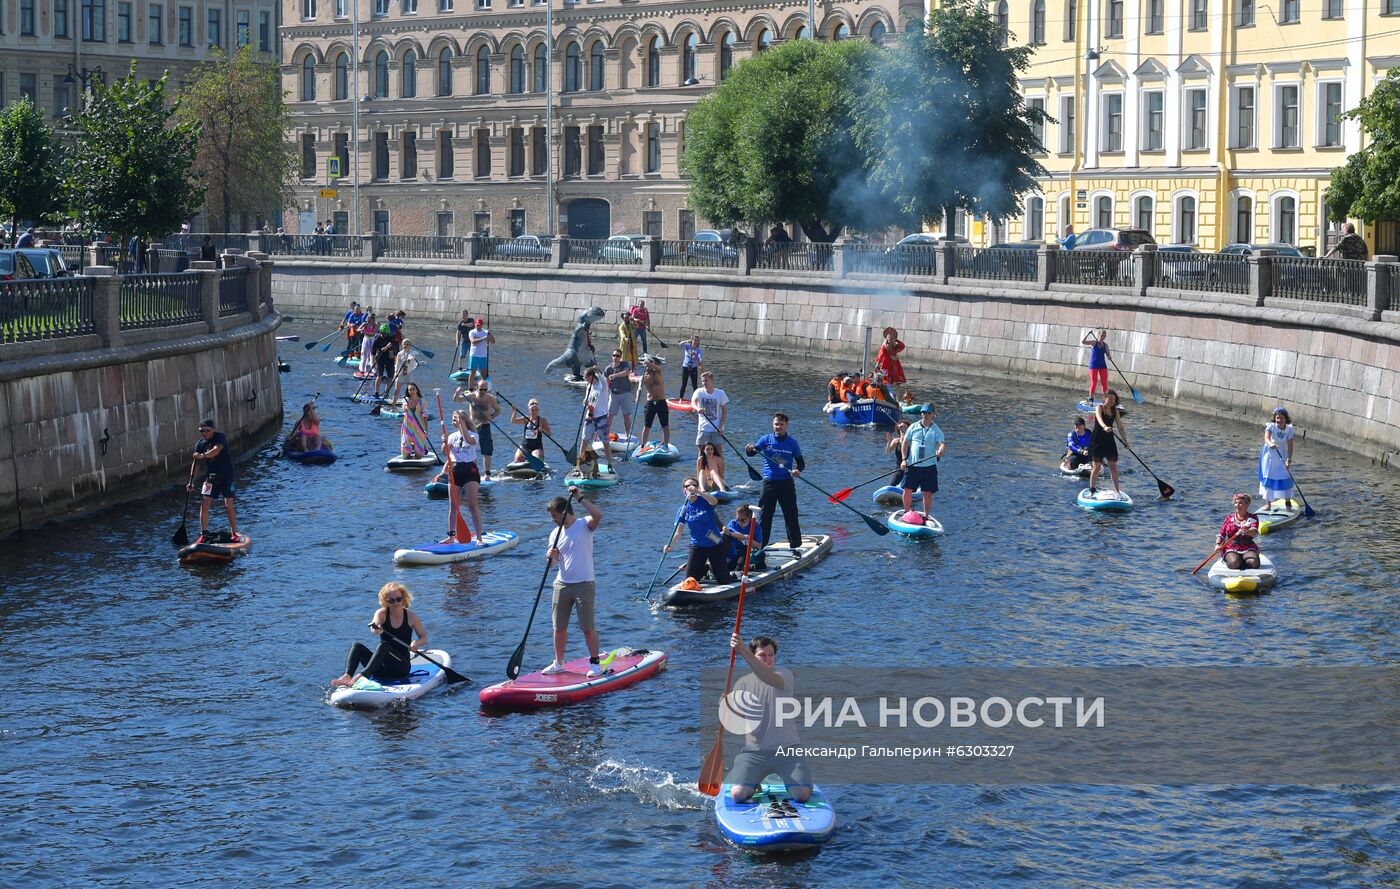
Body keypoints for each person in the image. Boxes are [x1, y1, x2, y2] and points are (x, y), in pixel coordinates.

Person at [726, 633, 812, 805]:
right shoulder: (742, 683)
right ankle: (752, 781)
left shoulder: (784, 675)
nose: (767, 659)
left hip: (788, 751)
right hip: (754, 753)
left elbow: (768, 678)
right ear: (754, 656)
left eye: (771, 655)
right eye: (762, 655)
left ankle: (799, 779)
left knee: (802, 795)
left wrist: (742, 650)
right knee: (738, 795)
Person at [543, 492, 608, 676]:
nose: (552, 520)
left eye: (554, 516)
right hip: (562, 584)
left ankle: (596, 664)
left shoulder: (584, 524)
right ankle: (559, 662)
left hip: (584, 584)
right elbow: (555, 563)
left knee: (587, 627)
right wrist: (551, 556)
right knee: (558, 628)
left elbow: (598, 515)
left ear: (564, 512)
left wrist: (580, 498)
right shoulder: (555, 533)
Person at [329, 583, 429, 689]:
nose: (395, 603)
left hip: (400, 667)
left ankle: (359, 677)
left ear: (403, 599)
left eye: (398, 599)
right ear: (385, 601)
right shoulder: (381, 613)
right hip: (380, 668)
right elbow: (374, 625)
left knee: (384, 646)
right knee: (357, 646)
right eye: (391, 600)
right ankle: (347, 676)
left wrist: (415, 643)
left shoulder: (412, 617)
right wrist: (375, 629)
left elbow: (424, 638)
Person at [746, 412, 804, 552]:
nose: (778, 427)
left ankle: (795, 545)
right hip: (769, 482)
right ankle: (761, 545)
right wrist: (748, 449)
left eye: (781, 424)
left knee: (790, 514)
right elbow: (752, 453)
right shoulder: (765, 439)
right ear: (773, 425)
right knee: (765, 515)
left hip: (786, 483)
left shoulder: (792, 443)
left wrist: (797, 471)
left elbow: (801, 463)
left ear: (786, 426)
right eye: (776, 424)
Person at [662, 478, 732, 587]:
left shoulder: (704, 500)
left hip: (714, 543)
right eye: (688, 487)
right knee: (690, 581)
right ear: (683, 490)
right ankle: (704, 568)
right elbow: (678, 533)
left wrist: (699, 492)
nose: (691, 488)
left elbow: (715, 501)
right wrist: (670, 545)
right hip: (697, 546)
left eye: (694, 485)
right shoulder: (683, 509)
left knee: (724, 580)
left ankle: (713, 567)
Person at [189, 418, 239, 542]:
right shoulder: (200, 444)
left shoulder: (220, 437)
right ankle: (203, 534)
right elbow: (196, 465)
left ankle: (234, 533)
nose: (204, 433)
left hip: (227, 476)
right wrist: (191, 482)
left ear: (213, 429)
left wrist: (203, 456)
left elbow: (216, 450)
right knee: (204, 504)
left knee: (228, 505)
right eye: (201, 431)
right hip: (211, 476)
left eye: (206, 430)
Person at [442, 410, 485, 541]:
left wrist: (462, 426)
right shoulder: (452, 436)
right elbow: (445, 452)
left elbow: (469, 441)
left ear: (465, 420)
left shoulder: (473, 434)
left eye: (458, 419)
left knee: (472, 505)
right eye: (454, 419)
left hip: (469, 471)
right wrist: (445, 442)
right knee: (453, 505)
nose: (455, 421)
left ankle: (479, 538)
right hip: (455, 470)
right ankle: (451, 536)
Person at [900, 404, 946, 517]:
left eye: (928, 413)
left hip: (929, 466)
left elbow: (942, 444)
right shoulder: (913, 427)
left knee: (927, 493)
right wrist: (904, 460)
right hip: (912, 465)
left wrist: (940, 450)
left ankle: (926, 516)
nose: (925, 415)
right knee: (907, 490)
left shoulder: (936, 430)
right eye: (923, 412)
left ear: (933, 414)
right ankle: (906, 512)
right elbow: (905, 443)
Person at [452, 381, 500, 475]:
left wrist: (493, 415)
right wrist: (457, 393)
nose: (483, 391)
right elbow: (456, 400)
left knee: (487, 451)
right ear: (477, 387)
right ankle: (468, 469)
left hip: (485, 425)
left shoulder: (491, 399)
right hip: (472, 425)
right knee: (467, 447)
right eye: (481, 389)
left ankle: (487, 473)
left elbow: (498, 410)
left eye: (485, 389)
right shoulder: (471, 396)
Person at [1087, 390, 1127, 494]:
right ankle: (1092, 490)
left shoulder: (1115, 411)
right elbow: (1099, 419)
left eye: (1114, 399)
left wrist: (1125, 441)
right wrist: (1105, 427)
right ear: (1105, 398)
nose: (1112, 401)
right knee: (1097, 467)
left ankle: (1117, 492)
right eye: (1110, 398)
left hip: (1109, 441)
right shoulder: (1099, 408)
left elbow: (1120, 427)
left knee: (1113, 467)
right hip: (1097, 440)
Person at [1259, 406, 1296, 504]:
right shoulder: (1271, 426)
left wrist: (1288, 460)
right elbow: (1266, 439)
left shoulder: (1289, 429)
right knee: (1269, 475)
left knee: (1285, 475)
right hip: (1270, 455)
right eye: (1277, 418)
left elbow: (1290, 446)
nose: (1279, 420)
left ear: (1285, 419)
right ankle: (1268, 504)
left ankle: (1288, 502)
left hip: (1282, 454)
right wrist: (1270, 444)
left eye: (1281, 418)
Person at [1216, 493, 1261, 570]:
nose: (1237, 505)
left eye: (1240, 503)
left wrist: (1247, 531)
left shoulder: (1253, 517)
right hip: (1231, 547)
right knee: (1234, 563)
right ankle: (1236, 561)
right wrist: (1217, 544)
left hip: (1248, 547)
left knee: (1254, 562)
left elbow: (1254, 531)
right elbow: (1221, 534)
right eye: (1236, 503)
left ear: (1247, 504)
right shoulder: (1228, 518)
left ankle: (1244, 561)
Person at [636, 355, 670, 450]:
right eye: (646, 365)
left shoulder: (657, 372)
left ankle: (666, 444)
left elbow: (657, 367)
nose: (647, 367)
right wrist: (637, 396)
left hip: (661, 401)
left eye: (649, 365)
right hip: (650, 402)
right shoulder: (643, 377)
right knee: (647, 425)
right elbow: (640, 388)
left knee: (665, 425)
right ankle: (643, 445)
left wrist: (650, 363)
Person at [692, 371, 728, 457]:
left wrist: (720, 427)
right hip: (703, 428)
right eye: (703, 381)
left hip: (716, 428)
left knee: (719, 453)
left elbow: (724, 411)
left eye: (706, 381)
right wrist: (697, 409)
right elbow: (693, 402)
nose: (704, 383)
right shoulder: (699, 392)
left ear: (712, 381)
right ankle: (700, 470)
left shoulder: (720, 393)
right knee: (701, 453)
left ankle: (719, 470)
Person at [723, 503, 767, 574]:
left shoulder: (756, 527)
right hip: (734, 552)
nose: (740, 522)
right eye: (738, 519)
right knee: (728, 565)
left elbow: (759, 546)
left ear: (749, 517)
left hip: (748, 552)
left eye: (743, 520)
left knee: (758, 553)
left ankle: (738, 571)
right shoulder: (733, 524)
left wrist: (749, 540)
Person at [604, 349, 635, 441]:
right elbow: (606, 383)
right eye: (614, 355)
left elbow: (626, 373)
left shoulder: (625, 364)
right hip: (614, 394)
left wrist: (614, 376)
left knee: (626, 415)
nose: (615, 358)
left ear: (620, 357)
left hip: (625, 393)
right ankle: (606, 434)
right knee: (610, 415)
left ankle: (627, 434)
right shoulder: (608, 369)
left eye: (617, 356)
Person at [582, 365, 611, 450]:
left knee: (605, 442)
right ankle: (580, 461)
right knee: (584, 440)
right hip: (590, 416)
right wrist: (585, 403)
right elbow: (586, 401)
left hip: (601, 417)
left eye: (585, 378)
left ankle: (609, 463)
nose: (585, 380)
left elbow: (602, 379)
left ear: (591, 377)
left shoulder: (603, 386)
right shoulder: (589, 386)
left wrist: (597, 370)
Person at [399, 383, 432, 458]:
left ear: (417, 390)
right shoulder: (405, 400)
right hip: (408, 427)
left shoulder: (422, 401)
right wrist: (407, 407)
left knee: (419, 455)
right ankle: (410, 448)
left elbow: (425, 416)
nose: (412, 391)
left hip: (419, 427)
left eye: (413, 389)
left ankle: (422, 447)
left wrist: (426, 430)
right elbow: (405, 408)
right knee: (405, 454)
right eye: (410, 390)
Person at [1081, 328, 1110, 399]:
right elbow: (1083, 342)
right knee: (1094, 383)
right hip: (1094, 365)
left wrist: (1109, 356)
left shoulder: (1105, 345)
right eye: (1102, 336)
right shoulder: (1094, 342)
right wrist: (1088, 334)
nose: (1103, 337)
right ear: (1098, 335)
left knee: (1104, 384)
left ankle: (1105, 399)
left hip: (1103, 365)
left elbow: (1109, 355)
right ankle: (1091, 398)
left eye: (1104, 336)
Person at [390, 337, 419, 405]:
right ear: (402, 345)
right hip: (400, 373)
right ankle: (393, 405)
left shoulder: (413, 352)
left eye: (407, 344)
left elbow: (412, 357)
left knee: (411, 390)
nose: (406, 346)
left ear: (410, 345)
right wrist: (396, 373)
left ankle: (413, 405)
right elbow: (397, 364)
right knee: (397, 390)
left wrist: (408, 359)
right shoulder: (400, 354)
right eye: (404, 344)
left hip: (409, 373)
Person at [373, 323, 399, 399]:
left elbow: (391, 343)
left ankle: (386, 393)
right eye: (384, 334)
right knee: (379, 375)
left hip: (390, 358)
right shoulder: (377, 339)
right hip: (380, 358)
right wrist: (372, 363)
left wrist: (386, 347)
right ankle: (376, 392)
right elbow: (373, 352)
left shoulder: (391, 337)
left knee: (390, 376)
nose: (386, 335)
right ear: (381, 333)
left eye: (387, 333)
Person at [467, 317, 494, 389]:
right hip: (474, 355)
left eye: (480, 325)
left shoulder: (485, 332)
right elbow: (473, 341)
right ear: (475, 325)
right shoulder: (472, 332)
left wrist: (490, 335)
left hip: (483, 356)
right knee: (473, 372)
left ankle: (483, 388)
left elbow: (493, 341)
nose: (478, 326)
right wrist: (484, 338)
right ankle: (470, 389)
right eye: (477, 325)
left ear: (482, 325)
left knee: (484, 374)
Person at [885, 419, 909, 486]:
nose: (903, 429)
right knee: (892, 484)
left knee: (907, 486)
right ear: (898, 429)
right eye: (901, 427)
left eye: (905, 427)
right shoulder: (896, 441)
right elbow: (887, 451)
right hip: (899, 468)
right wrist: (889, 441)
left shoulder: (911, 441)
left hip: (910, 468)